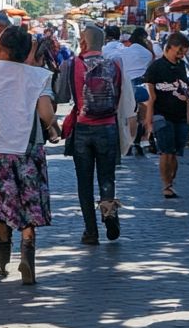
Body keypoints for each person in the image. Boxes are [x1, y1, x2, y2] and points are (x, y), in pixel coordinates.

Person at [0, 25, 60, 284]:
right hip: (28, 149)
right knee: (29, 202)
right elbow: (46, 114)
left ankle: (2, 262)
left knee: (0, 205)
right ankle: (27, 251)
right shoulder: (38, 76)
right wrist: (52, 126)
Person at [54, 25, 135, 244]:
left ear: (82, 43)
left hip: (82, 129)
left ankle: (90, 231)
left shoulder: (71, 65)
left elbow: (61, 96)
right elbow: (121, 97)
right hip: (108, 127)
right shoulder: (115, 66)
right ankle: (109, 214)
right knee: (107, 178)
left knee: (84, 182)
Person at [143, 32, 189, 199]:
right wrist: (148, 121)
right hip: (161, 115)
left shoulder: (181, 66)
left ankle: (171, 182)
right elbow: (151, 97)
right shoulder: (155, 67)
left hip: (180, 116)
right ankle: (166, 185)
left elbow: (186, 92)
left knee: (176, 152)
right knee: (166, 151)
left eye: (184, 51)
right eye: (179, 51)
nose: (181, 54)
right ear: (169, 47)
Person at [112, 27, 156, 156]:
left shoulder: (124, 52)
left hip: (127, 85)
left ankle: (130, 143)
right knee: (142, 117)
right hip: (142, 85)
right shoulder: (147, 53)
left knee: (130, 115)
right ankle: (139, 142)